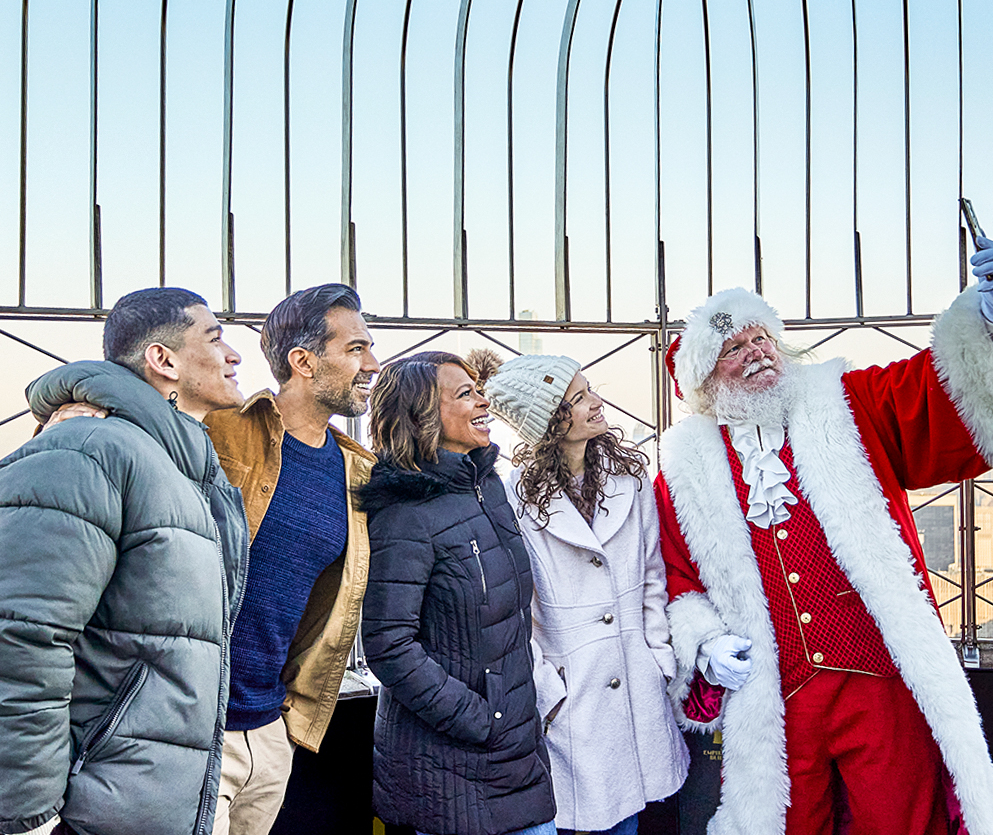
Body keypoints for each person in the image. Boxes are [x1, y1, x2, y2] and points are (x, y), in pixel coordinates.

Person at [656, 239, 993, 835]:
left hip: (879, 677)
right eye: (732, 349)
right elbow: (677, 576)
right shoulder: (685, 469)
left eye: (760, 338)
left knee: (902, 820)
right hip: (779, 698)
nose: (756, 354)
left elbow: (931, 393)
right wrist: (704, 642)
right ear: (705, 380)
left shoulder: (845, 401)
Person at [0, 287, 250, 835]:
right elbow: (8, 644)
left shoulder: (174, 466)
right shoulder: (85, 451)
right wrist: (30, 819)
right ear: (162, 360)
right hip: (44, 813)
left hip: (109, 798)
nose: (234, 356)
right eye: (215, 339)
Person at [42, 284, 382, 835]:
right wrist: (80, 412)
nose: (373, 364)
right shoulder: (216, 429)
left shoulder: (356, 472)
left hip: (270, 730)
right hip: (186, 729)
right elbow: (128, 445)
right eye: (356, 349)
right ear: (303, 361)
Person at [480, 351, 689, 835]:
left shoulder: (631, 480)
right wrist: (549, 692)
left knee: (628, 821)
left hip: (637, 680)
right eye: (579, 397)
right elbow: (513, 612)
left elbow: (653, 573)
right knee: (584, 817)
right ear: (551, 421)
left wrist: (658, 655)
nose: (597, 402)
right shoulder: (512, 499)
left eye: (590, 388)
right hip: (572, 697)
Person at [355, 351, 556, 835]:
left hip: (515, 755)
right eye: (464, 393)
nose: (483, 400)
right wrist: (481, 719)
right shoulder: (404, 513)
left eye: (477, 388)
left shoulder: (486, 488)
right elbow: (388, 645)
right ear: (423, 415)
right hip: (450, 770)